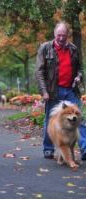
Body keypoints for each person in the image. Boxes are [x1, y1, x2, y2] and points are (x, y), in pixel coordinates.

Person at [36, 21, 86, 160]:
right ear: (54, 34)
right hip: (53, 90)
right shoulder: (45, 48)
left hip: (71, 90)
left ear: (68, 35)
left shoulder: (74, 49)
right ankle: (48, 148)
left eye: (64, 35)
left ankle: (84, 148)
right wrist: (44, 91)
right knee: (50, 119)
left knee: (79, 118)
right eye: (59, 35)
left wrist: (78, 77)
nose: (61, 38)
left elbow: (80, 69)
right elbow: (39, 72)